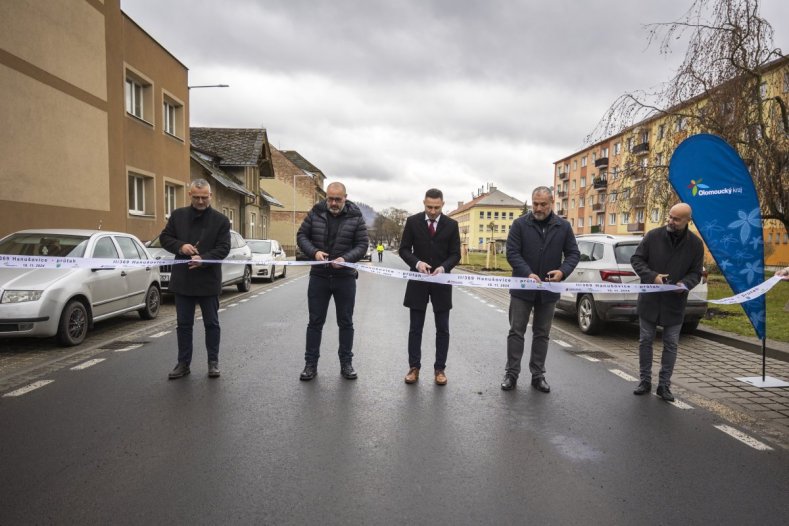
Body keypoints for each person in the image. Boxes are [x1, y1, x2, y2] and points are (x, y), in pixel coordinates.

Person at [501, 186, 579, 393]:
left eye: (543, 204)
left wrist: (562, 272)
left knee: (542, 334)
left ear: (552, 203)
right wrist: (527, 273)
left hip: (548, 290)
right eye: (535, 203)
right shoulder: (520, 224)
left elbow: (573, 254)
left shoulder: (563, 226)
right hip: (522, 289)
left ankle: (538, 375)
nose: (538, 208)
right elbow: (512, 253)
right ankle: (511, 374)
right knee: (516, 331)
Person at [631, 202, 704, 402]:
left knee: (671, 344)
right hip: (650, 300)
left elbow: (696, 273)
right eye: (670, 216)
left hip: (675, 302)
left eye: (676, 219)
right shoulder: (653, 236)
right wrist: (653, 276)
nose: (670, 221)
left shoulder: (696, 244)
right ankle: (644, 381)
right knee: (645, 340)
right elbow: (636, 260)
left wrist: (685, 283)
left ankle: (664, 386)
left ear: (688, 221)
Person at [297, 182, 369, 381]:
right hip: (319, 276)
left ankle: (346, 363)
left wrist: (346, 259)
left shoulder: (355, 216)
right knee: (315, 322)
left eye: (338, 199)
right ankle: (310, 364)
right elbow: (302, 235)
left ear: (345, 197)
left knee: (345, 322)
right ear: (326, 197)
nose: (334, 203)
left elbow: (363, 244)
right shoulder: (316, 212)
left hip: (345, 277)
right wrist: (314, 252)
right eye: (330, 198)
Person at [160, 179, 230, 379]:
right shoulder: (178, 216)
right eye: (197, 197)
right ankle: (183, 364)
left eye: (204, 197)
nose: (200, 201)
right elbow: (165, 238)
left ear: (210, 196)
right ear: (190, 195)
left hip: (208, 279)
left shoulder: (221, 221)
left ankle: (213, 362)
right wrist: (181, 246)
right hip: (184, 280)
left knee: (212, 324)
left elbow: (224, 248)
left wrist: (204, 259)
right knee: (183, 325)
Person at [399, 188, 461, 385]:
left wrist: (444, 267)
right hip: (418, 282)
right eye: (429, 207)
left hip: (442, 283)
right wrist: (417, 263)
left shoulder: (452, 225)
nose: (432, 211)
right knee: (415, 328)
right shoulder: (412, 222)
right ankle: (414, 368)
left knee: (442, 328)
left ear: (443, 204)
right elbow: (404, 249)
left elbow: (456, 254)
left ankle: (440, 370)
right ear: (423, 203)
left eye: (436, 207)